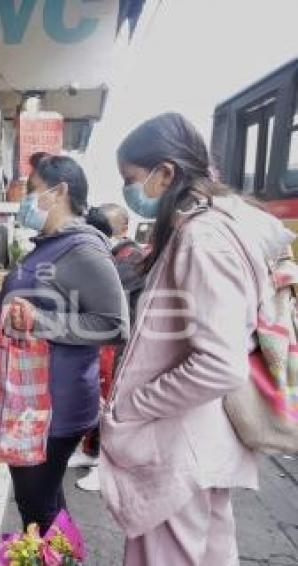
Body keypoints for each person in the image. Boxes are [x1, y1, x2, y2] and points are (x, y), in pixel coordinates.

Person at [100, 113, 294, 565]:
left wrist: (132, 406)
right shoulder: (218, 229)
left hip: (182, 446)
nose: (131, 192)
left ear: (165, 172)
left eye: (131, 179)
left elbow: (219, 364)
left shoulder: (203, 238)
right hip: (200, 442)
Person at [1, 153, 129, 534]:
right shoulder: (49, 246)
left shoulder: (83, 250)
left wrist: (39, 321)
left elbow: (114, 324)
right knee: (46, 503)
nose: (24, 199)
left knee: (36, 508)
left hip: (54, 407)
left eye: (32, 190)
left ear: (59, 192)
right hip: (33, 402)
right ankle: (64, 557)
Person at [73, 203, 146, 492]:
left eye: (108, 227)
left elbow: (97, 287)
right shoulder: (113, 255)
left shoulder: (132, 257)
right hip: (104, 343)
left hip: (120, 346)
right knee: (97, 399)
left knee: (111, 404)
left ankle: (106, 467)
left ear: (124, 229)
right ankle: (89, 452)